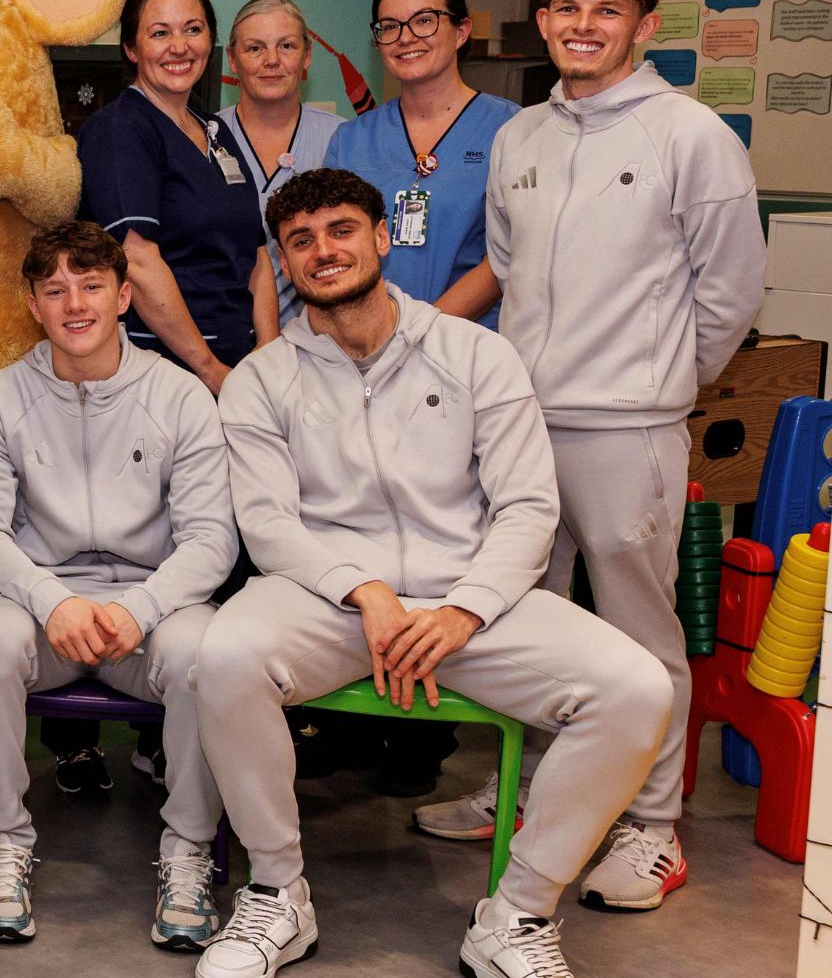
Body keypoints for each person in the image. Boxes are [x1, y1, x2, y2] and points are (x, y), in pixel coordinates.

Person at [194, 168, 672, 978]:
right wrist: (363, 589)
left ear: (382, 237)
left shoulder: (477, 355)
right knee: (225, 654)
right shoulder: (262, 381)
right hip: (334, 602)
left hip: (473, 601)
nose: (324, 251)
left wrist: (468, 609)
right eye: (301, 241)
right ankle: (278, 895)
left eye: (342, 229)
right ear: (285, 261)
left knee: (637, 687)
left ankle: (516, 915)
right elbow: (269, 524)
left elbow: (527, 508)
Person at [416, 0, 765, 911]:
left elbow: (731, 291)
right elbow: (506, 266)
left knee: (638, 632)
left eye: (605, 10)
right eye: (566, 7)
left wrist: (659, 385)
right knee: (522, 618)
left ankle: (652, 826)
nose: (582, 25)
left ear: (645, 27)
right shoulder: (524, 136)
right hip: (522, 423)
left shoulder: (690, 137)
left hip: (628, 428)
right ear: (544, 21)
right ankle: (525, 791)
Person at [0, 221, 236, 953]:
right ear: (33, 305)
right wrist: (55, 602)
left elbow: (212, 539)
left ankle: (188, 855)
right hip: (39, 603)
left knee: (209, 655)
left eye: (90, 286)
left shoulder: (181, 399)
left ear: (123, 297)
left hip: (151, 606)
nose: (73, 304)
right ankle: (3, 842)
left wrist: (137, 607)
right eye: (54, 290)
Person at [77, 0, 277, 395]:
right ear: (131, 48)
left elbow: (254, 253)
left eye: (193, 29)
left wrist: (270, 350)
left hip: (241, 363)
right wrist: (209, 368)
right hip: (169, 369)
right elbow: (137, 258)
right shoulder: (122, 129)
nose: (179, 47)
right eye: (159, 33)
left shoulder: (214, 131)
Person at [323, 0, 517, 328]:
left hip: (468, 344)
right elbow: (334, 248)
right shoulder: (350, 141)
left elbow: (509, 253)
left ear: (461, 31)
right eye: (390, 26)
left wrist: (418, 331)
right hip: (367, 341)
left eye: (425, 20)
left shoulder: (511, 129)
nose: (406, 38)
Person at [215, 0, 340, 325]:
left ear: (307, 55)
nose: (271, 60)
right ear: (232, 59)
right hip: (223, 334)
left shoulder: (341, 140)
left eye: (286, 46)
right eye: (255, 48)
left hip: (320, 338)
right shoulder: (202, 139)